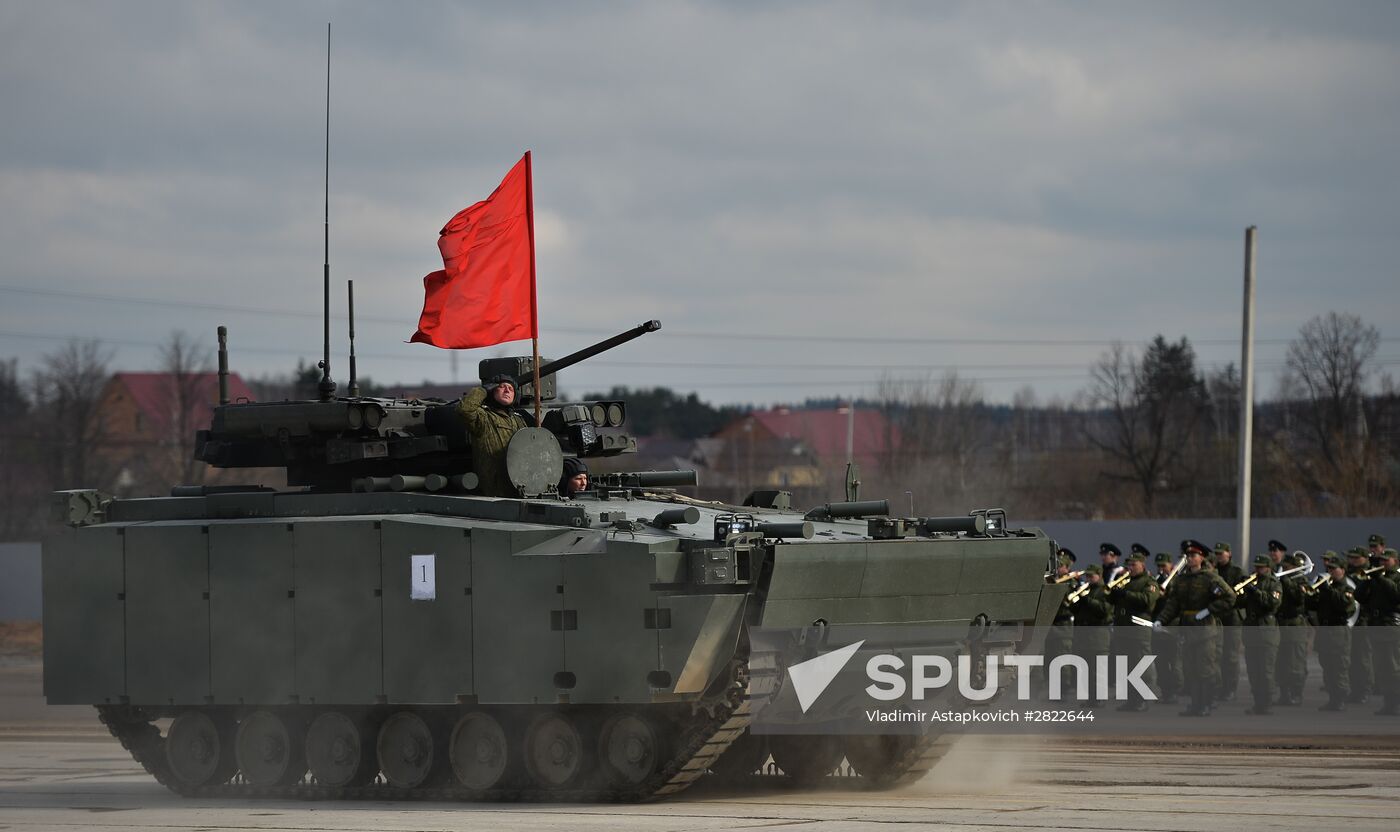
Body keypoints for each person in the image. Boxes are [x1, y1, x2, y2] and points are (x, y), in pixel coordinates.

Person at [1155, 539, 1236, 716]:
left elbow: (1230, 597)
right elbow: (1173, 603)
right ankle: (1195, 704)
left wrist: (1209, 610)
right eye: (1188, 555)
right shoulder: (1182, 579)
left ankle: (1205, 703)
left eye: (1193, 555)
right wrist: (1161, 619)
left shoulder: (1210, 578)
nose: (1190, 558)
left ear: (1202, 557)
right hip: (1187, 628)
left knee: (1205, 669)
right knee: (1190, 668)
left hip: (1205, 629)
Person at [456, 374, 529, 497]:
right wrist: (482, 390)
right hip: (493, 487)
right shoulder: (484, 416)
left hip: (520, 485)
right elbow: (464, 410)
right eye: (502, 387)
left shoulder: (519, 420)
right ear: (492, 391)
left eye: (511, 389)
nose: (507, 390)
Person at [1108, 551, 1161, 711]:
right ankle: (1131, 699)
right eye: (1129, 565)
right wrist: (1114, 594)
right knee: (1126, 666)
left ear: (1142, 565)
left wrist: (1126, 594)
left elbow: (1147, 600)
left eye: (1134, 565)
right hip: (1123, 629)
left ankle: (1142, 699)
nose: (1130, 568)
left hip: (1138, 630)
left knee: (1140, 665)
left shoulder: (1149, 582)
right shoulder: (1126, 581)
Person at [1307, 552, 1357, 711]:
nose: (1330, 571)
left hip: (1338, 631)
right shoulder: (1326, 587)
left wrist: (1327, 590)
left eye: (1334, 568)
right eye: (1329, 568)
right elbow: (1314, 606)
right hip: (1325, 631)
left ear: (1342, 570)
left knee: (1339, 666)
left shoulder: (1347, 588)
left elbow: (1344, 606)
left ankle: (1340, 698)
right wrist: (1312, 596)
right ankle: (1332, 698)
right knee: (1327, 665)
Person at [1355, 546, 1400, 715]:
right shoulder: (1376, 578)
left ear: (1395, 561)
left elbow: (1396, 595)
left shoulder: (1396, 577)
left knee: (1393, 667)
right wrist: (1368, 579)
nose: (1382, 563)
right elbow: (1359, 596)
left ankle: (1395, 702)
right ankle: (1389, 702)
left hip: (1392, 626)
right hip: (1377, 626)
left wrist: (1379, 578)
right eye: (1381, 560)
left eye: (1386, 560)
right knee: (1381, 667)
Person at [1239, 554, 1282, 715]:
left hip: (1267, 633)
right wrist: (1243, 589)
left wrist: (1255, 592)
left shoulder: (1274, 584)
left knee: (1266, 671)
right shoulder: (1252, 582)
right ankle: (1258, 702)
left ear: (1268, 568)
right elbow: (1239, 602)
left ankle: (1267, 703)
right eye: (1256, 567)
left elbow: (1272, 604)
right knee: (1253, 670)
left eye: (1261, 567)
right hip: (1251, 633)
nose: (1257, 570)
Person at [1071, 564, 1111, 706]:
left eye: (1091, 576)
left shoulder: (1105, 590)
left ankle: (1099, 698)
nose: (1088, 579)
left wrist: (1086, 599)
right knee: (1086, 670)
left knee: (1098, 670)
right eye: (1087, 576)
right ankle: (1090, 698)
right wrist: (1076, 597)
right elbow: (1074, 610)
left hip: (1098, 636)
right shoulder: (1086, 590)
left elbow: (1103, 610)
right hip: (1084, 636)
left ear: (1099, 576)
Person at [1275, 552, 1312, 706]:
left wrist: (1285, 580)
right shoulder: (1280, 580)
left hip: (1295, 625)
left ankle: (1296, 693)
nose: (1284, 568)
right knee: (1281, 661)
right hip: (1281, 624)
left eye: (1287, 566)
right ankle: (1284, 693)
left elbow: (1299, 599)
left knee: (1296, 661)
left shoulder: (1301, 581)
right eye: (1283, 566)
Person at [1213, 542, 1246, 701]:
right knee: (1217, 654)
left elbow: (1241, 595)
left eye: (1222, 553)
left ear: (1229, 554)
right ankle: (1219, 687)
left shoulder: (1237, 571)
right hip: (1218, 616)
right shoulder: (1213, 571)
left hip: (1232, 617)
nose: (1219, 556)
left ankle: (1230, 688)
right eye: (1217, 554)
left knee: (1231, 655)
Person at [1044, 550, 1077, 698]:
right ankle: (1054, 689)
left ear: (1068, 567)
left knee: (1062, 658)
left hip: (1063, 625)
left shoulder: (1072, 583)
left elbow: (1069, 603)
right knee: (1051, 658)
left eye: (1061, 566)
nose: (1058, 569)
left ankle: (1064, 688)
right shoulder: (1052, 581)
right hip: (1052, 625)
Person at [1153, 552, 1182, 703]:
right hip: (1159, 625)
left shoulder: (1177, 581)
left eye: (1163, 565)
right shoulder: (1155, 581)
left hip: (1173, 626)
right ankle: (1165, 691)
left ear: (1170, 565)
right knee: (1161, 662)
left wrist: (1167, 591)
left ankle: (1175, 690)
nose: (1161, 569)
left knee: (1174, 661)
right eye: (1159, 566)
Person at [1346, 546, 1375, 703]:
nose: (1353, 560)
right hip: (1351, 620)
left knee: (1362, 657)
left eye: (1357, 557)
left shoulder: (1369, 574)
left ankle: (1364, 689)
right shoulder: (1349, 573)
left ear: (1365, 558)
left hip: (1363, 620)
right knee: (1351, 657)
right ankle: (1355, 689)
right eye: (1351, 557)